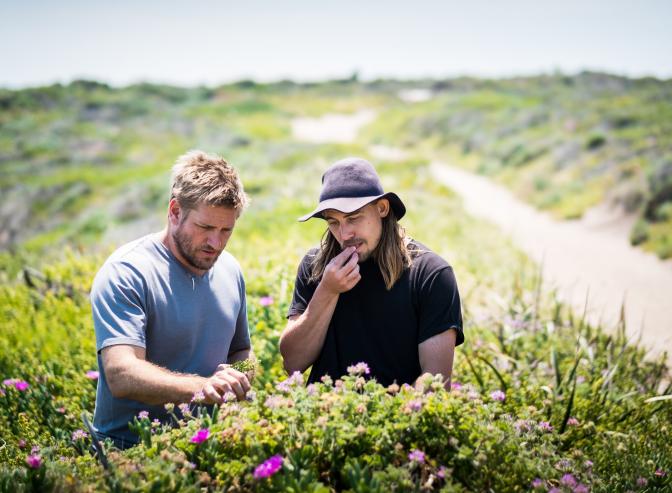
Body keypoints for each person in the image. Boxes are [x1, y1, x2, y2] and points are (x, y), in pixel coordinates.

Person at [90, 150, 253, 448]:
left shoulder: (230, 269)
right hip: (129, 450)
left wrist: (238, 379)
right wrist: (202, 387)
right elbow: (121, 374)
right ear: (175, 211)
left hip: (208, 444)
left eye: (226, 230)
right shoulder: (127, 272)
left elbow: (240, 350)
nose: (216, 242)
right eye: (205, 228)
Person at [279, 157, 464, 388]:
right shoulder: (315, 265)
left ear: (382, 208)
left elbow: (435, 384)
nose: (344, 234)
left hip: (398, 411)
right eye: (333, 222)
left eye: (353, 218)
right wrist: (327, 291)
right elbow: (293, 363)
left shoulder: (431, 275)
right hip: (322, 410)